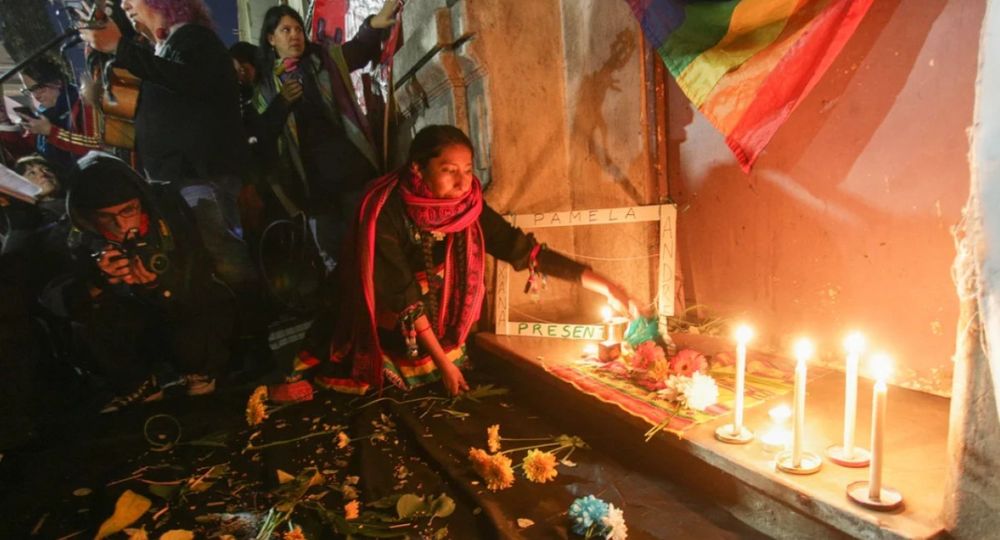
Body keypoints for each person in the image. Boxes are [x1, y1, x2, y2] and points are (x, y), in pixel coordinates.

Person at [290, 125, 643, 397]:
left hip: (430, 318)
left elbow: (516, 247)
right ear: (418, 170)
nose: (463, 182)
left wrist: (604, 285)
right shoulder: (385, 211)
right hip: (388, 308)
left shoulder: (468, 206)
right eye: (448, 170)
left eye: (467, 169)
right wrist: (445, 365)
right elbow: (402, 293)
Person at [79, 0, 258, 293]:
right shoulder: (162, 48)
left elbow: (187, 81)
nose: (124, 5)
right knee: (204, 261)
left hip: (201, 176)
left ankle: (254, 326)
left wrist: (120, 46)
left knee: (224, 256)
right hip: (179, 179)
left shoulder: (194, 38)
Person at [64, 152, 235, 412]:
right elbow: (59, 299)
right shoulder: (75, 239)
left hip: (174, 314)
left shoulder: (169, 211)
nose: (121, 224)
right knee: (83, 322)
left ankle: (199, 370)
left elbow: (198, 270)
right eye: (106, 217)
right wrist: (100, 282)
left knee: (208, 297)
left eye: (128, 210)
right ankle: (139, 386)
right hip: (130, 325)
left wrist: (159, 285)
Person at [252, 2, 397, 273]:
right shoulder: (265, 90)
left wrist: (373, 25)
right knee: (336, 258)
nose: (295, 35)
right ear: (271, 39)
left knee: (372, 246)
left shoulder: (323, 62)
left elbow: (357, 51)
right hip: (313, 188)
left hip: (349, 170)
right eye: (285, 30)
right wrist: (281, 104)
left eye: (297, 29)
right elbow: (262, 134)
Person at [0, 58, 104, 179]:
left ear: (58, 82)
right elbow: (26, 152)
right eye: (30, 91)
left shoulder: (84, 104)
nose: (36, 95)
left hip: (90, 180)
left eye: (39, 88)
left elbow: (95, 147)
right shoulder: (44, 114)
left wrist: (50, 132)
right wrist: (4, 122)